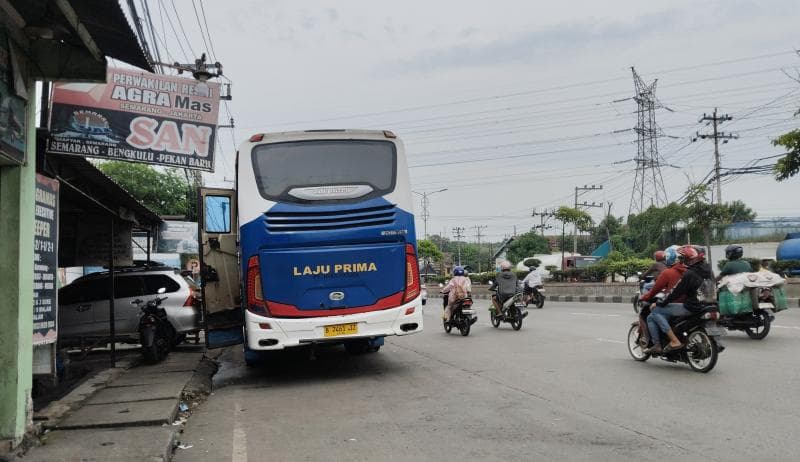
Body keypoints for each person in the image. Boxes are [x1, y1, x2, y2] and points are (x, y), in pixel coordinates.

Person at [645, 245, 714, 354]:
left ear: (690, 259)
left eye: (684, 258)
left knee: (655, 311)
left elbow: (675, 291)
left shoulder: (689, 273)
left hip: (692, 307)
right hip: (711, 305)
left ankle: (674, 341)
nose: (682, 260)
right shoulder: (709, 270)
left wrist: (660, 302)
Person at [639, 246, 686, 345]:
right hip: (689, 303)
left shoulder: (667, 272)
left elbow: (658, 291)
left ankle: (658, 344)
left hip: (676, 303)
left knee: (652, 315)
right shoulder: (688, 271)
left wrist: (644, 297)